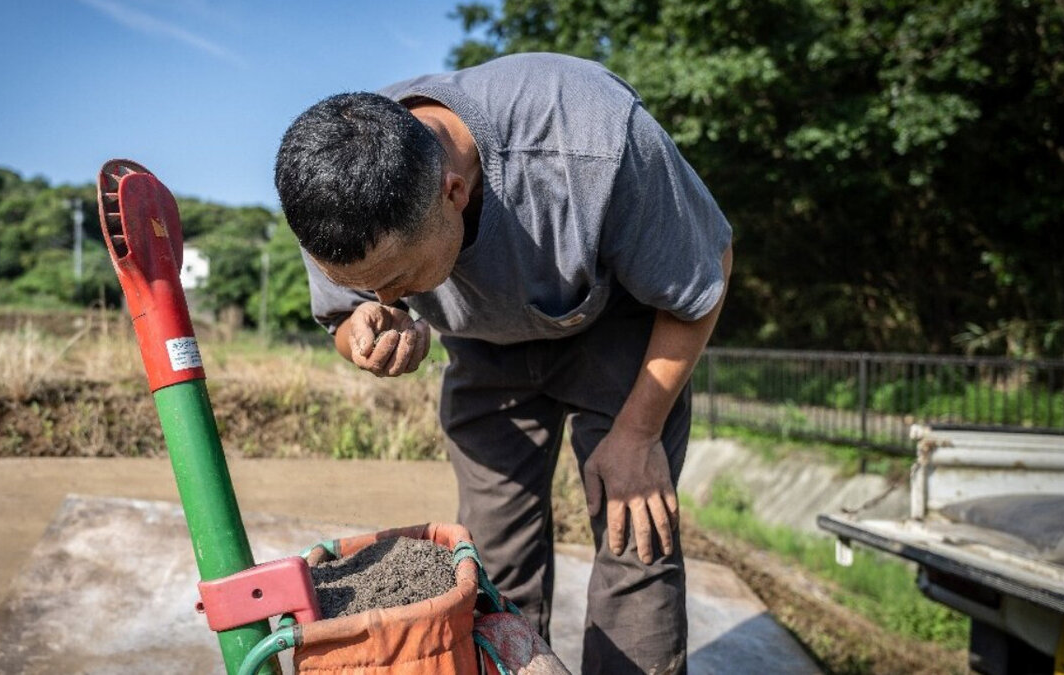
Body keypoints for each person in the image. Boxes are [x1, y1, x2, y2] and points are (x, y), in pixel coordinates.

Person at [275, 52, 732, 675]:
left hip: (617, 326)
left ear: (453, 192)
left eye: (398, 278)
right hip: (484, 347)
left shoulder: (590, 138)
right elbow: (342, 317)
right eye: (364, 284)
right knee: (491, 557)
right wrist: (360, 332)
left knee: (636, 540)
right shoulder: (334, 188)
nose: (387, 299)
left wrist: (639, 432)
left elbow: (704, 276)